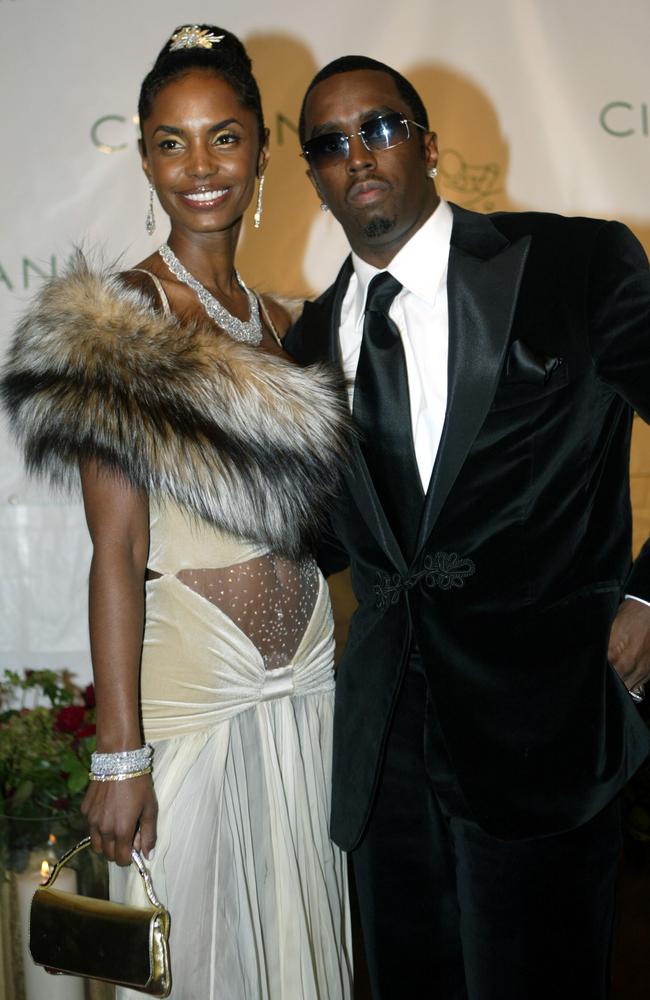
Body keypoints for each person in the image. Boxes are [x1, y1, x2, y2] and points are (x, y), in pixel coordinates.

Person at [284, 54, 650, 1000]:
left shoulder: (577, 263)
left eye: (381, 126)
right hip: (386, 757)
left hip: (546, 731)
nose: (358, 152)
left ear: (429, 143)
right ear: (314, 176)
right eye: (330, 142)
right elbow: (323, 542)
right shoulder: (304, 345)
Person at [2, 27, 353, 1000]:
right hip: (193, 696)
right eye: (171, 141)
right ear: (146, 153)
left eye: (223, 137)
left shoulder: (292, 323)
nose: (198, 167)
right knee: (197, 969)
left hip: (311, 692)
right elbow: (113, 550)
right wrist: (120, 753)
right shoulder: (117, 318)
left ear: (261, 150)